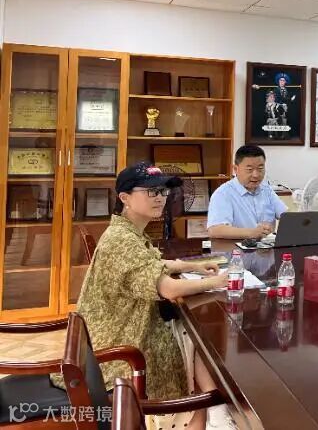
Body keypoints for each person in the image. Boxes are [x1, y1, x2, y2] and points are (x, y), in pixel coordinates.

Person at [52, 162, 231, 430]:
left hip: (114, 333)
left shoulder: (127, 231)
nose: (160, 197)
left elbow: (151, 264)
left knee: (190, 331)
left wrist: (191, 267)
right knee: (195, 334)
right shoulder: (122, 240)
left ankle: (213, 409)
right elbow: (168, 289)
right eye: (150, 192)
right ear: (124, 198)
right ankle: (211, 411)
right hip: (120, 349)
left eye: (162, 191)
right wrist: (219, 282)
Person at [207, 144, 286, 240]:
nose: (256, 175)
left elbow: (286, 216)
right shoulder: (223, 193)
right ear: (236, 169)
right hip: (237, 247)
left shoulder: (266, 189)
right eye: (249, 170)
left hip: (267, 247)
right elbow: (215, 230)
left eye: (260, 169)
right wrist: (251, 233)